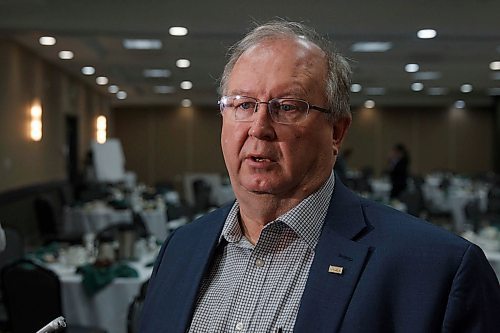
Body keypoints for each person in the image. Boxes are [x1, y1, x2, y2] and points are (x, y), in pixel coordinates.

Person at [140, 21, 500, 332]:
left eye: (288, 107)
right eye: (244, 105)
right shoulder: (180, 249)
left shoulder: (438, 271)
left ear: (337, 132)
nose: (259, 128)